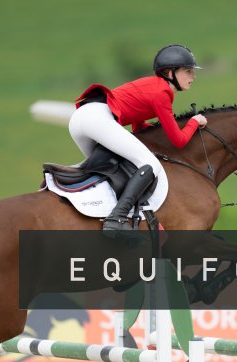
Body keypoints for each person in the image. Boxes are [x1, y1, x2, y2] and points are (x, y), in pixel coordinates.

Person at [69, 44, 208, 233]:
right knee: (151, 165)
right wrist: (194, 122)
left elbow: (139, 127)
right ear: (169, 73)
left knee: (115, 170)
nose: (193, 76)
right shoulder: (162, 93)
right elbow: (179, 141)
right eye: (188, 71)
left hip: (80, 119)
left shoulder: (152, 85)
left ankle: (107, 216)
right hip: (96, 118)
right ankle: (116, 219)